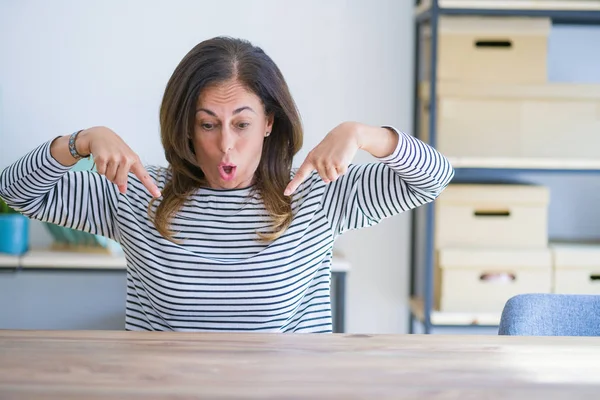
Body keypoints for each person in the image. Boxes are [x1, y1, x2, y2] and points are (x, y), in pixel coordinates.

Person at [0, 36, 454, 333]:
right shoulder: (138, 193)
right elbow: (16, 190)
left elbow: (435, 177)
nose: (226, 147)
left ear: (269, 123)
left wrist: (367, 135)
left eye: (241, 124)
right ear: (187, 128)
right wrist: (79, 141)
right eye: (208, 125)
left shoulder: (317, 193)